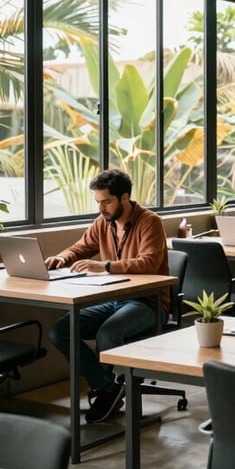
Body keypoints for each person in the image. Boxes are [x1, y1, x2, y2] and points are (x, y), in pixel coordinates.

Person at [46, 168, 170, 423]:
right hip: (114, 299)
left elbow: (148, 263)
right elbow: (82, 247)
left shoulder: (150, 221)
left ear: (124, 198)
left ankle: (109, 391)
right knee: (60, 330)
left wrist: (104, 266)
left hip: (148, 301)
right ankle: (108, 387)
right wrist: (62, 257)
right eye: (98, 202)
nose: (101, 208)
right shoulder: (103, 222)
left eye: (106, 201)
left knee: (107, 333)